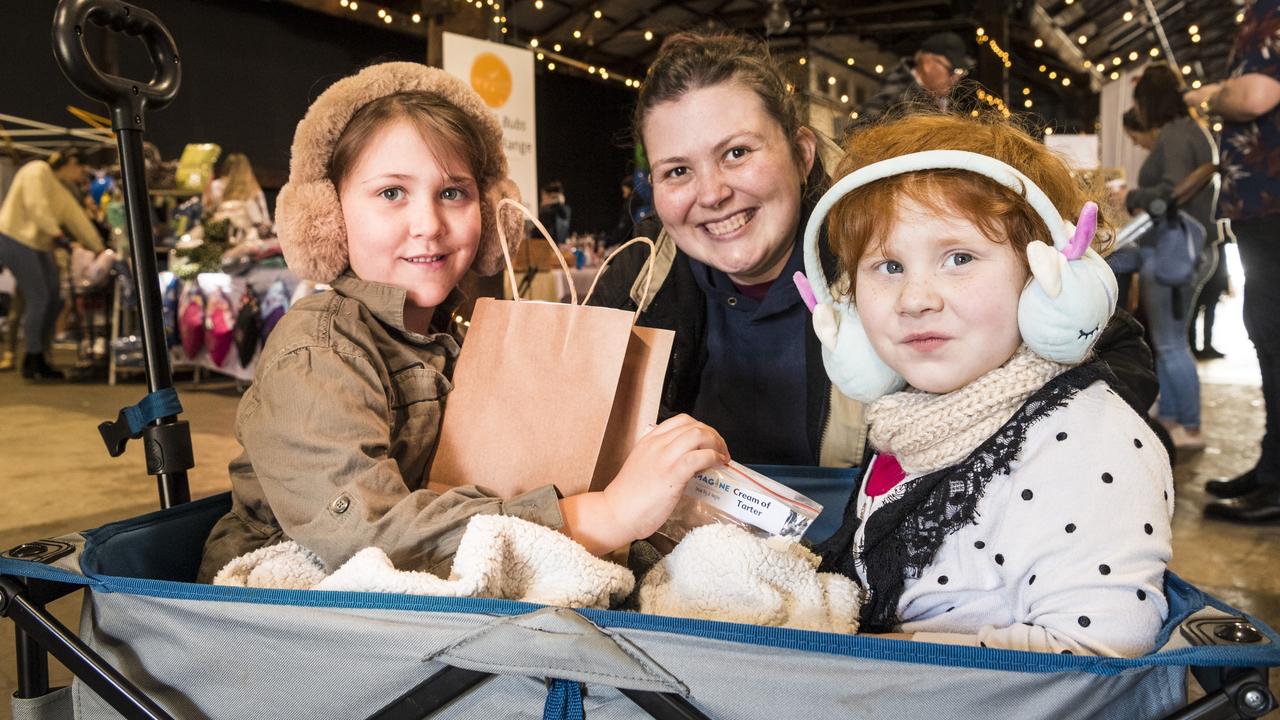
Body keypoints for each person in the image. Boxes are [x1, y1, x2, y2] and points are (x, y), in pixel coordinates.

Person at [197, 63, 727, 582]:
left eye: (452, 193)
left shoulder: (460, 338)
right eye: (391, 193)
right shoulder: (317, 351)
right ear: (329, 217)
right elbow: (369, 534)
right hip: (286, 624)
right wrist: (604, 515)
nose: (428, 225)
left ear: (490, 211)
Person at [589, 31, 1159, 469]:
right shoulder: (637, 286)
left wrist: (982, 460)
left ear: (803, 153)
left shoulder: (895, 237)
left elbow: (1120, 356)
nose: (711, 193)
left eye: (737, 153)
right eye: (677, 171)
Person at [815, 114, 1173, 657]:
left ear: (1046, 285)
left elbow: (1100, 654)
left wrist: (879, 657)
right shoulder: (916, 420)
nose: (915, 299)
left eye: (958, 258)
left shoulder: (1088, 441)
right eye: (887, 266)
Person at [1184, 0, 1280, 522]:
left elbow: (1258, 93)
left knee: (1275, 340)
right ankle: (1272, 468)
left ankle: (1276, 481)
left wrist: (1208, 95)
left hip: (1272, 206)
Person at [1125, 64, 1217, 452]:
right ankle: (1175, 416)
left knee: (1170, 344)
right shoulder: (1191, 131)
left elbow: (1168, 194)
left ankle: (1190, 425)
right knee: (1170, 341)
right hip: (1183, 249)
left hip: (1174, 251)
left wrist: (1131, 198)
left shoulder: (1176, 134)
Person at [0, 149, 105, 380]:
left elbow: (76, 218)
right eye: (80, 169)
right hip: (14, 238)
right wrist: (60, 237)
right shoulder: (36, 170)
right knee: (40, 297)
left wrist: (99, 247)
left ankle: (42, 354)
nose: (80, 176)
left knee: (57, 296)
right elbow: (37, 208)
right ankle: (32, 358)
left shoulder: (60, 187)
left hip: (38, 244)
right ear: (72, 161)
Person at [855, 32, 973, 127]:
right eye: (952, 70)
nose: (956, 79)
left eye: (960, 73)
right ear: (928, 63)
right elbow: (860, 132)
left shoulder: (940, 101)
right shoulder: (895, 98)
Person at [205, 152, 271, 232]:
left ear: (226, 167)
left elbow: (207, 212)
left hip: (221, 233)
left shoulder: (215, 186)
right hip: (249, 237)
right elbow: (265, 220)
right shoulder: (254, 190)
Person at [537, 180, 572, 244]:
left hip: (555, 244)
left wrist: (556, 200)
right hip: (545, 243)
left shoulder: (563, 209)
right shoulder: (546, 210)